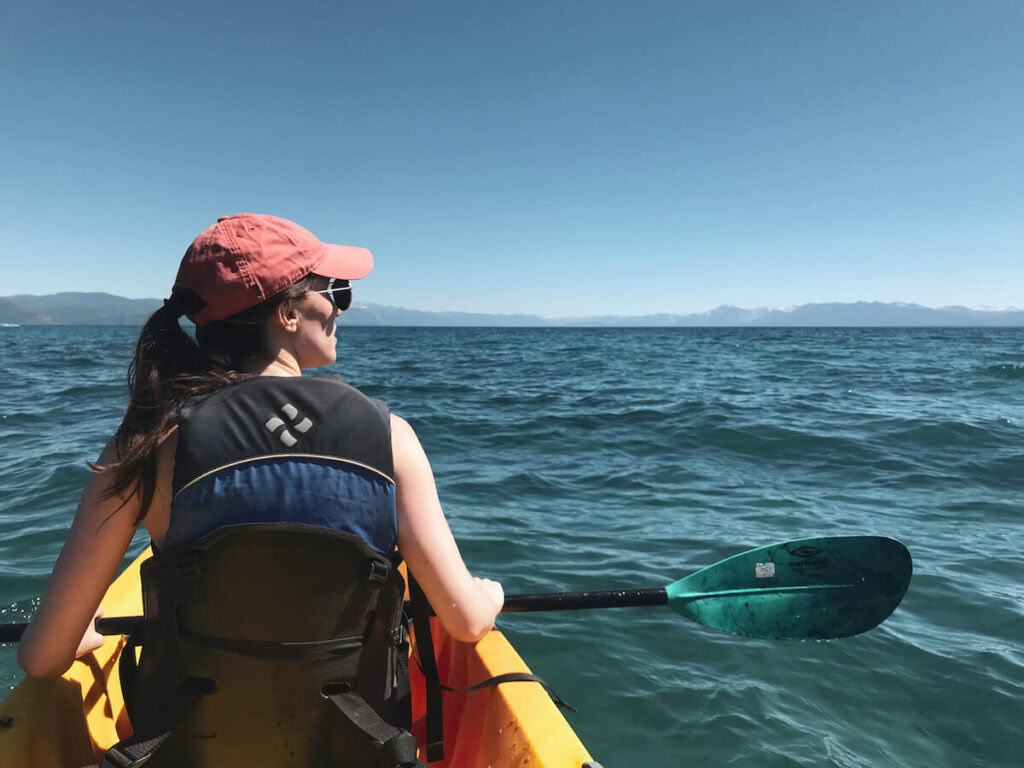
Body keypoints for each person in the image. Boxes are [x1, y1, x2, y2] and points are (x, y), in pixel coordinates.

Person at [18, 212, 504, 681]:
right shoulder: (390, 437)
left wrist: (78, 633)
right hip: (359, 744)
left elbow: (41, 660)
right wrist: (490, 595)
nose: (339, 308)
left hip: (194, 746)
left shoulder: (146, 444)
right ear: (288, 312)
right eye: (337, 291)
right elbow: (465, 622)